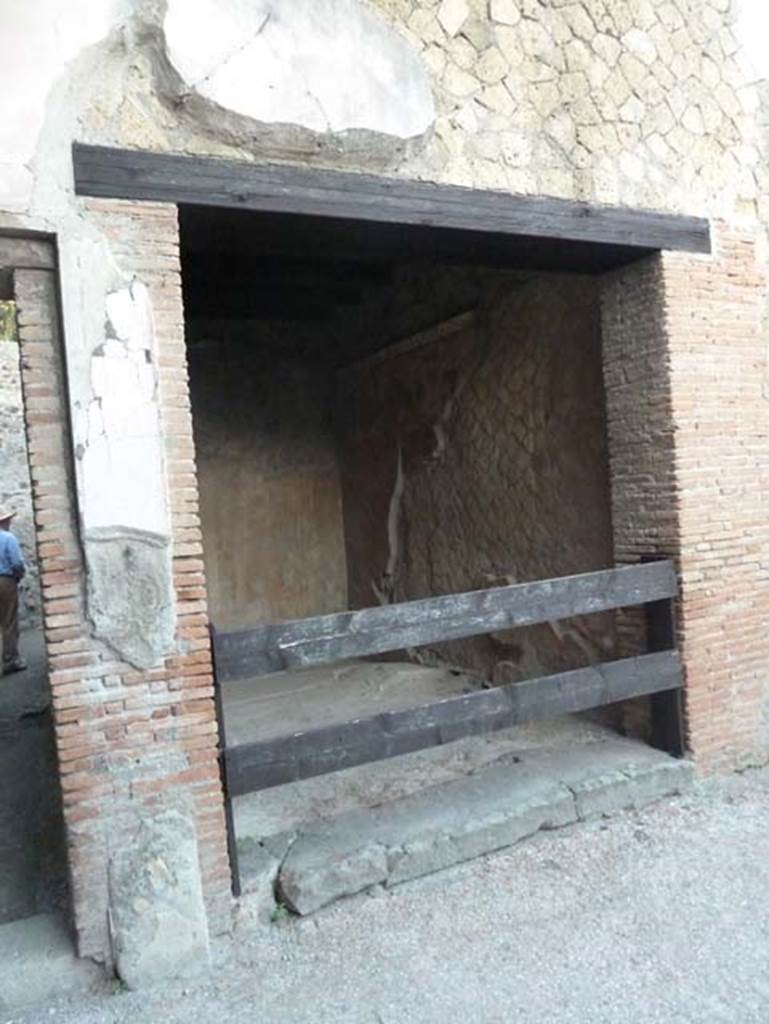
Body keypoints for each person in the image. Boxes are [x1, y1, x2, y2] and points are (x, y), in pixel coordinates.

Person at [0, 507, 26, 675]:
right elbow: (16, 563)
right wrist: (18, 576)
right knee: (9, 621)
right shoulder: (9, 538)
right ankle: (11, 660)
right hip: (5, 580)